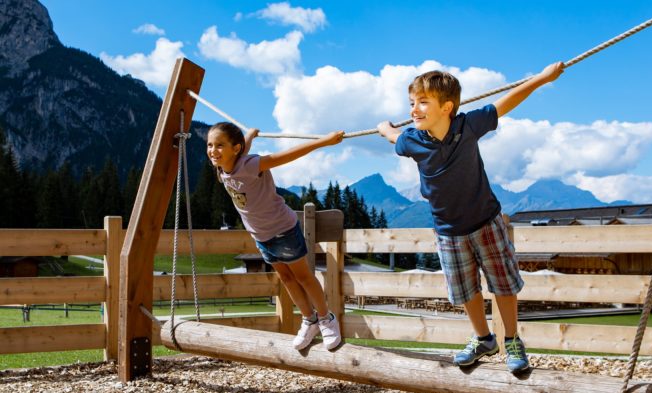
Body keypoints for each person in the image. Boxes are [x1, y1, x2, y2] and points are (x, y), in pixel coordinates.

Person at [377, 62, 565, 372]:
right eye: (412, 103)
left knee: (502, 284)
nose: (414, 109)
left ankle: (513, 339)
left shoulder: (468, 126)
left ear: (447, 107)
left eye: (423, 102)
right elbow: (392, 136)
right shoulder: (412, 140)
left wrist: (542, 78)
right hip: (448, 231)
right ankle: (483, 338)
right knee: (465, 289)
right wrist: (384, 127)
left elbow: (505, 102)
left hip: (485, 222)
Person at [207, 122, 345, 350]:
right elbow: (239, 150)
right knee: (287, 279)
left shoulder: (252, 164)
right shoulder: (222, 168)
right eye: (210, 145)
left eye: (219, 145)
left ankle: (326, 319)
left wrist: (325, 141)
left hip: (283, 230)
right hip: (260, 236)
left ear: (235, 148)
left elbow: (288, 155)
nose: (213, 150)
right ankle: (309, 320)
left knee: (303, 277)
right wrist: (249, 136)